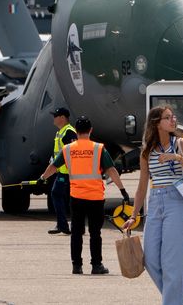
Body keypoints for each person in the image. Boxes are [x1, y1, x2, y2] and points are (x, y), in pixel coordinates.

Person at [124, 105, 183, 305]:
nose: (173, 120)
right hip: (155, 202)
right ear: (156, 123)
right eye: (167, 118)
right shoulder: (147, 152)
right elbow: (142, 186)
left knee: (173, 264)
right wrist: (134, 215)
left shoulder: (182, 144)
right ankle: (181, 300)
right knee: (150, 260)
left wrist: (178, 158)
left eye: (173, 117)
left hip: (176, 201)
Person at [38, 116, 130, 275]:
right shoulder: (99, 148)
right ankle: (96, 265)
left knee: (76, 232)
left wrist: (42, 178)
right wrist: (122, 190)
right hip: (95, 197)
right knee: (95, 233)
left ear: (77, 130)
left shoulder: (68, 149)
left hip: (76, 197)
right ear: (91, 130)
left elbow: (53, 166)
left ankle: (76, 265)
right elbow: (111, 171)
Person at [48, 107, 78, 235]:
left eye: (55, 116)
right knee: (60, 196)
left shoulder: (69, 132)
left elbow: (72, 152)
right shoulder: (60, 132)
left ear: (62, 118)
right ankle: (63, 225)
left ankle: (67, 225)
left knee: (68, 198)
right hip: (63, 172)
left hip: (69, 173)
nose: (53, 118)